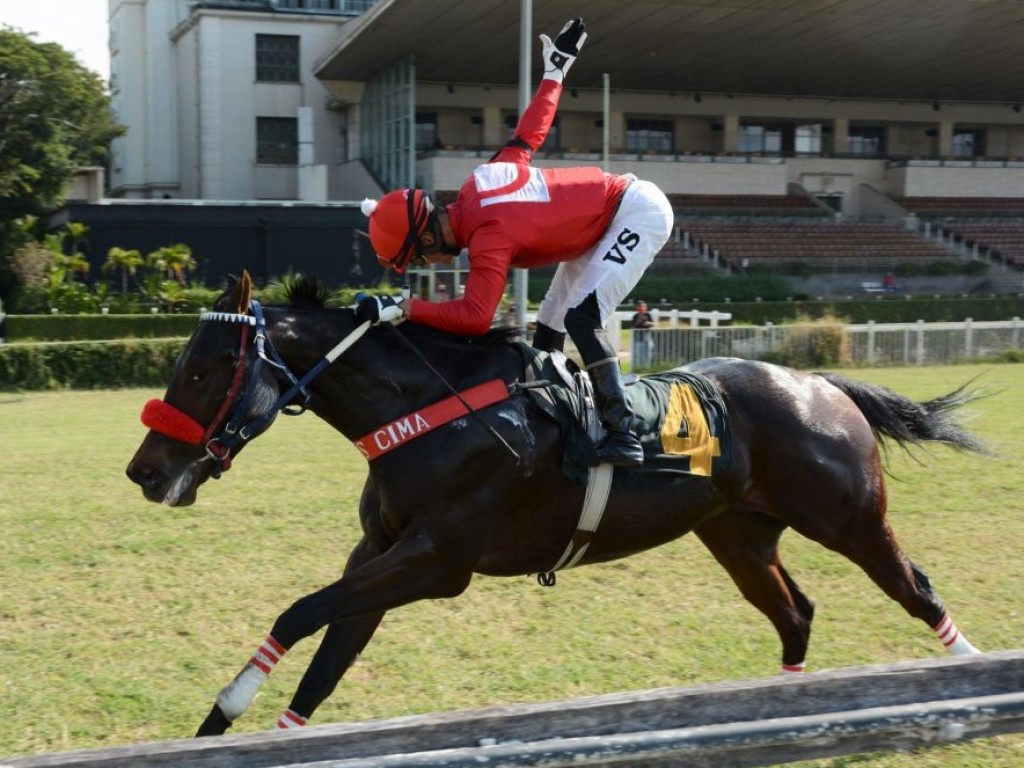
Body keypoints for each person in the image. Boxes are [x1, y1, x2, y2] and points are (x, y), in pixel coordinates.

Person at [356, 17, 673, 467]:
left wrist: (407, 309)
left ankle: (623, 432)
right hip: (598, 226)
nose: (429, 264)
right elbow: (527, 136)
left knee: (582, 317)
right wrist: (555, 71)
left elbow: (473, 317)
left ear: (426, 233)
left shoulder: (488, 235)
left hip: (635, 210)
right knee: (548, 329)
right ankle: (559, 422)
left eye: (420, 256)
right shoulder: (476, 185)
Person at [631, 300, 655, 370]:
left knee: (647, 355)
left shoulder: (648, 315)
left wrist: (647, 323)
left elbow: (653, 324)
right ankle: (637, 369)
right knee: (637, 356)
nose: (643, 308)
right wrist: (640, 321)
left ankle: (646, 369)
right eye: (641, 306)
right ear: (637, 308)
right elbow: (634, 326)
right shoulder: (635, 316)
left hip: (647, 339)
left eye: (644, 306)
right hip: (637, 340)